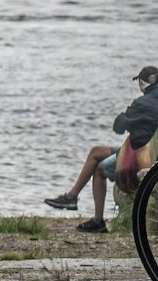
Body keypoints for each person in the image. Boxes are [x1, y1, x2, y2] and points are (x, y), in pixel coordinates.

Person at [47, 66, 158, 231]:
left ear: (143, 83)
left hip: (142, 155)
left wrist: (128, 119)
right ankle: (72, 197)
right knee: (96, 152)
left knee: (100, 169)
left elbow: (118, 127)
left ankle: (96, 219)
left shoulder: (142, 103)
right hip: (147, 150)